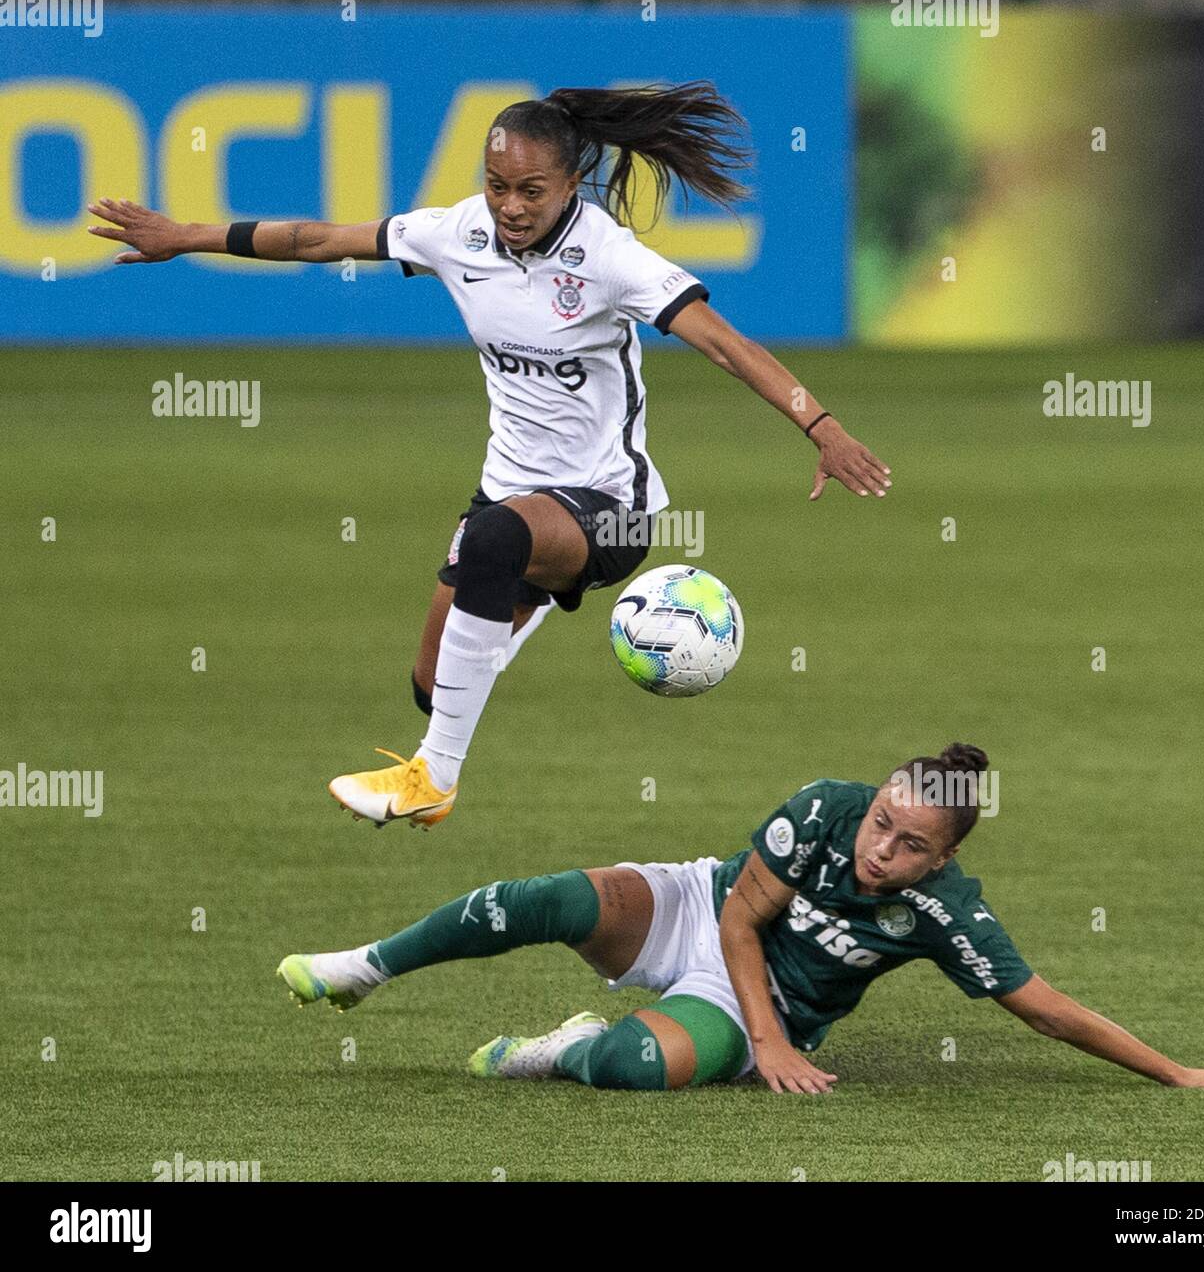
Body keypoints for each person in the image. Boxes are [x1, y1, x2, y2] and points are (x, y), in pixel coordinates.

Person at [87, 81, 892, 830]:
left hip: (610, 511)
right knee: (432, 687)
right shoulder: (457, 232)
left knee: (495, 542)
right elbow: (317, 236)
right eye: (497, 185)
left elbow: (724, 345)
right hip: (509, 497)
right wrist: (183, 235)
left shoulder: (611, 258)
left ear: (572, 182)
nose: (509, 205)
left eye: (530, 190)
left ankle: (434, 777)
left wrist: (820, 426)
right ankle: (506, 630)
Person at [275, 744, 1204, 1095]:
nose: (881, 847)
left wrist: (1178, 1071)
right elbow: (742, 918)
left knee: (629, 1069)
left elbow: (1046, 1009)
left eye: (910, 843)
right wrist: (769, 1046)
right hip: (703, 912)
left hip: (761, 1000)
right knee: (544, 900)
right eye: (883, 820)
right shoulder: (824, 805)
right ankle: (366, 964)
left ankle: (557, 1048)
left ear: (946, 855)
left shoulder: (943, 912)